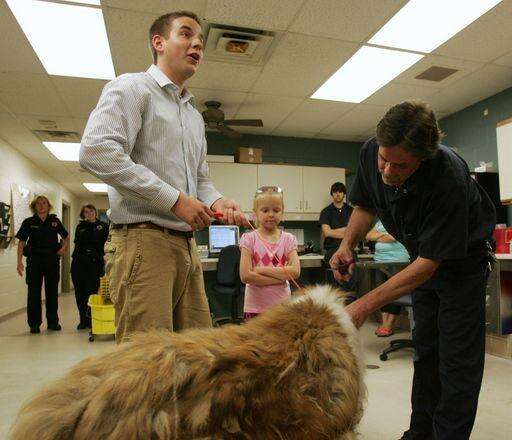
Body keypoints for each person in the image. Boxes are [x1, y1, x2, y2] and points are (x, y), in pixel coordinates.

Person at [330, 101, 495, 440]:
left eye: (400, 165)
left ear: (423, 157)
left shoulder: (448, 176)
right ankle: (419, 433)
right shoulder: (372, 151)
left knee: (456, 364)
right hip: (421, 259)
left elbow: (429, 264)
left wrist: (362, 306)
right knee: (426, 353)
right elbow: (366, 204)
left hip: (462, 268)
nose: (388, 171)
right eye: (384, 160)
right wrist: (347, 244)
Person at [80, 11, 248, 343]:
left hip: (186, 247)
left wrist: (217, 201)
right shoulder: (132, 88)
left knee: (198, 353)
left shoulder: (194, 117)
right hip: (143, 242)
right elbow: (96, 151)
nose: (197, 44)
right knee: (147, 362)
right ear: (158, 42)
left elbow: (200, 179)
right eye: (185, 34)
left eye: (200, 40)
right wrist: (173, 200)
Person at [239, 186, 300, 320]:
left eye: (276, 210)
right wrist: (281, 277)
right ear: (255, 213)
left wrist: (260, 270)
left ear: (282, 212)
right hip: (255, 308)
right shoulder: (249, 239)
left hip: (282, 308)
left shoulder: (289, 239)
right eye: (265, 210)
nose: (271, 214)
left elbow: (295, 271)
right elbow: (245, 276)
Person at [15, 195, 69, 333]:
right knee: (33, 293)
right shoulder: (29, 222)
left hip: (52, 260)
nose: (41, 205)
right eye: (38, 203)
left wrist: (63, 248)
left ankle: (53, 322)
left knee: (52, 292)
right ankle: (34, 324)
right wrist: (19, 262)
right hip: (34, 260)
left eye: (44, 203)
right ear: (34, 206)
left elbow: (65, 236)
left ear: (48, 206)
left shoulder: (54, 221)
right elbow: (21, 242)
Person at [366, 219, 410, 337]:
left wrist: (377, 236)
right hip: (379, 261)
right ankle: (384, 322)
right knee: (382, 292)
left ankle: (389, 324)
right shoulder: (380, 221)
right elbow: (369, 235)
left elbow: (393, 237)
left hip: (398, 260)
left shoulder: (399, 219)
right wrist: (383, 236)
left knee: (395, 292)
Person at [71, 204, 109, 330]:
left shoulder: (103, 226)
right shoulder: (80, 226)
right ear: (83, 214)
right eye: (86, 212)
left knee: (91, 292)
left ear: (95, 212)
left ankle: (92, 320)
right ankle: (83, 320)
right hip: (79, 263)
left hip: (94, 264)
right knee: (79, 293)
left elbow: (107, 245)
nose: (89, 213)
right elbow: (77, 244)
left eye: (91, 211)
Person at [318, 182, 353, 287]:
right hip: (332, 250)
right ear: (332, 194)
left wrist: (334, 231)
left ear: (344, 194)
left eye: (340, 192)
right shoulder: (326, 212)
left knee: (351, 282)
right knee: (333, 284)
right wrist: (346, 231)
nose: (337, 194)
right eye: (335, 192)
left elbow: (354, 231)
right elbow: (327, 233)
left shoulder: (351, 211)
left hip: (349, 249)